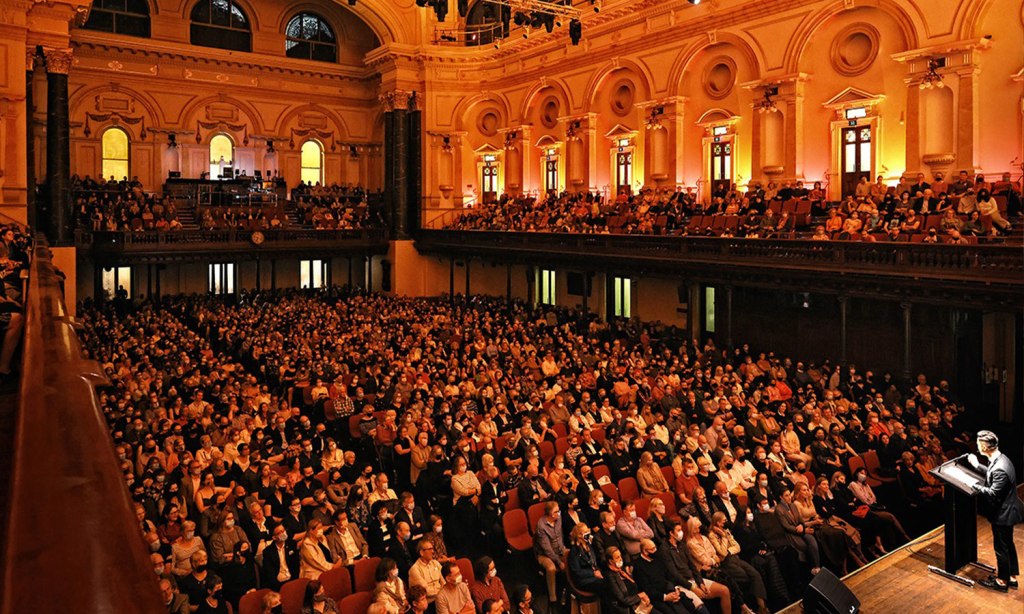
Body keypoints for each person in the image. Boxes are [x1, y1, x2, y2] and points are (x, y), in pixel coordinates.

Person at [967, 430, 1023, 592]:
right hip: (1007, 510)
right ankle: (1011, 577)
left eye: (978, 444)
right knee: (1007, 544)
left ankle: (1002, 581)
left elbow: (993, 493)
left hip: (1003, 513)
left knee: (1001, 547)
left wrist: (974, 485)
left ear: (985, 447)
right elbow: (991, 473)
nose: (977, 447)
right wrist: (977, 465)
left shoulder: (1000, 468)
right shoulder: (1000, 458)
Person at [535, 500, 568, 606]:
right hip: (545, 554)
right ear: (550, 514)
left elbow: (560, 535)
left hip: (559, 549)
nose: (559, 513)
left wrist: (563, 550)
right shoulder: (541, 526)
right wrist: (559, 561)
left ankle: (568, 589)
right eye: (556, 512)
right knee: (551, 568)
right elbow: (547, 549)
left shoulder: (558, 518)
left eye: (559, 511)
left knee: (572, 556)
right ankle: (553, 598)